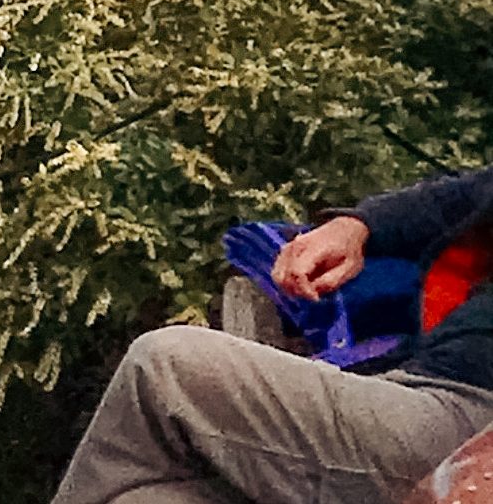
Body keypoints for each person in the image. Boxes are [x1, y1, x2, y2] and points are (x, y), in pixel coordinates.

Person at [54, 169, 493, 504]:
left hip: (463, 421)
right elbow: (461, 196)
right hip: (417, 387)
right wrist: (356, 227)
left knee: (164, 365)